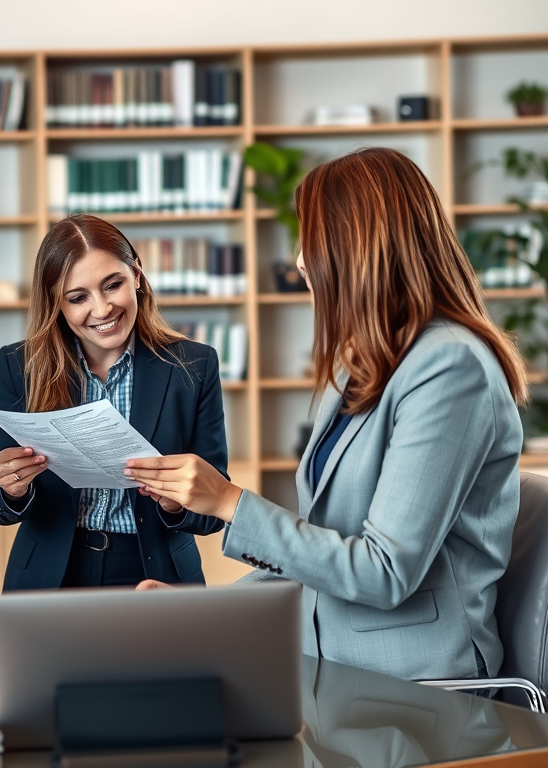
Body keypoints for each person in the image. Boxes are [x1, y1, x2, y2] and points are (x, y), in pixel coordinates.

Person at [127, 147, 528, 682]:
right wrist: (203, 609)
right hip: (332, 660)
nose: (298, 261)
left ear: (358, 249)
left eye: (309, 240)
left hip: (420, 684)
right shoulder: (366, 360)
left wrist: (229, 503)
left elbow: (383, 573)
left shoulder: (450, 367)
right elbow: (321, 552)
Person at [0, 214, 228, 590]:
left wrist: (177, 502)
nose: (102, 309)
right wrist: (12, 488)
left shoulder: (193, 365)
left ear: (137, 277)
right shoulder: (20, 366)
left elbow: (214, 509)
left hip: (156, 573)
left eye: (113, 285)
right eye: (78, 297)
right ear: (56, 304)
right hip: (50, 573)